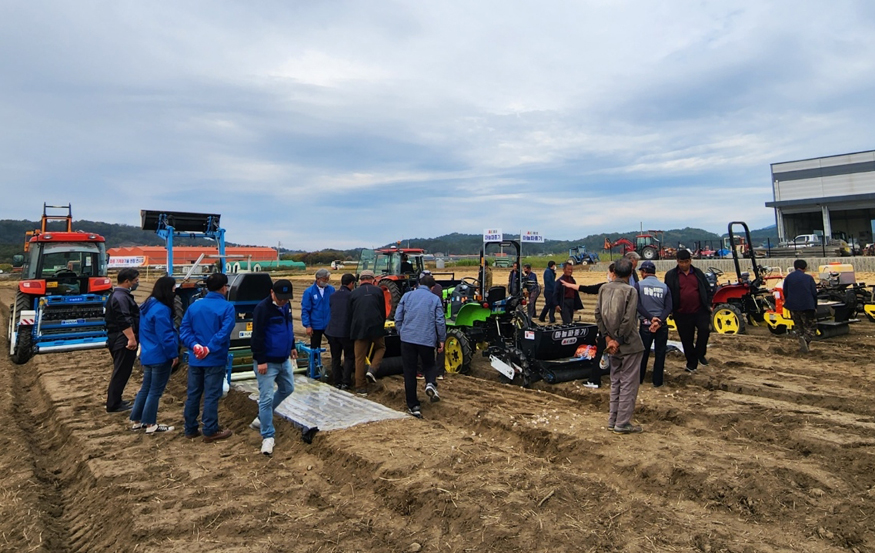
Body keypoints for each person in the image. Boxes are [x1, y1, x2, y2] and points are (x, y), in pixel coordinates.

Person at [180, 272, 236, 442]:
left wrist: (195, 346)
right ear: (223, 288)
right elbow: (224, 332)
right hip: (215, 358)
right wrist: (209, 348)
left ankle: (190, 428)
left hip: (196, 358)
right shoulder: (227, 307)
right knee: (211, 395)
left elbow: (184, 330)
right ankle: (210, 430)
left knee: (193, 394)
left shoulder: (194, 306)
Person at [594, 258, 645, 434]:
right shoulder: (630, 291)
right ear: (630, 273)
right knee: (629, 383)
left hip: (612, 345)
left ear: (613, 271)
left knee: (615, 381)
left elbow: (598, 314)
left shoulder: (603, 289)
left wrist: (608, 339)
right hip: (628, 344)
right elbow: (629, 319)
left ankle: (612, 419)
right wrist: (618, 339)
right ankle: (622, 423)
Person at [250, 279, 297, 456]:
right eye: (280, 298)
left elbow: (288, 327)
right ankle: (268, 436)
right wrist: (261, 360)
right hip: (267, 362)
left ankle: (261, 418)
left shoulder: (287, 306)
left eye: (286, 298)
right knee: (266, 398)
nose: (283, 301)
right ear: (272, 293)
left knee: (288, 388)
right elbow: (257, 337)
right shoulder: (263, 309)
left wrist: (292, 345)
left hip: (283, 358)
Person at [130, 275, 178, 433]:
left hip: (147, 353)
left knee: (145, 388)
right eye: (173, 289)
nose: (174, 291)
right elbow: (166, 336)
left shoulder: (148, 304)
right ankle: (151, 424)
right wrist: (173, 354)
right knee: (155, 391)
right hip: (160, 355)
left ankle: (137, 421)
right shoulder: (162, 310)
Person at [395, 275, 447, 419]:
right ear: (432, 287)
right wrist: (441, 340)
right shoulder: (435, 299)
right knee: (429, 364)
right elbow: (440, 322)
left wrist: (401, 332)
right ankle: (430, 383)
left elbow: (398, 317)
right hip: (426, 339)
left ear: (418, 284)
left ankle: (414, 406)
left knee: (410, 372)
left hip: (407, 339)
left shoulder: (407, 296)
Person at [664, 249, 713, 373]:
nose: (684, 264)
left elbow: (707, 289)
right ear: (677, 262)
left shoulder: (698, 273)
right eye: (681, 262)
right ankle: (691, 364)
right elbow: (667, 293)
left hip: (700, 310)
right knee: (687, 339)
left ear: (690, 261)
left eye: (686, 262)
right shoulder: (671, 275)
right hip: (681, 313)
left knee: (704, 330)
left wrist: (708, 304)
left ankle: (700, 353)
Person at [104, 268, 141, 413]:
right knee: (121, 371)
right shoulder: (121, 297)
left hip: (119, 337)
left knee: (122, 371)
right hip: (122, 339)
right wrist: (131, 338)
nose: (137, 283)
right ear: (127, 281)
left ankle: (116, 400)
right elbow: (124, 319)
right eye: (135, 281)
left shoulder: (120, 295)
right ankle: (113, 404)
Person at [349, 270, 387, 396]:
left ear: (360, 280)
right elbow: (383, 311)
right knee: (381, 347)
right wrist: (381, 325)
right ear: (372, 280)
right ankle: (372, 369)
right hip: (376, 326)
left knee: (359, 358)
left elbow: (351, 313)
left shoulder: (353, 293)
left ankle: (360, 387)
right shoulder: (378, 291)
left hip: (359, 329)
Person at [635, 261, 672, 387]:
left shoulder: (638, 286)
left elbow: (637, 305)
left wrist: (651, 318)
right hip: (661, 325)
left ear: (644, 272)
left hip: (646, 324)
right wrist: (659, 320)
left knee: (643, 353)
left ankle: (639, 379)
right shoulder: (664, 287)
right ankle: (657, 381)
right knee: (660, 353)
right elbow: (668, 307)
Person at [326, 273, 356, 389]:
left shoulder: (333, 296)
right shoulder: (352, 296)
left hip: (332, 331)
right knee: (349, 357)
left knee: (335, 358)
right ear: (351, 283)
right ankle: (346, 382)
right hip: (345, 332)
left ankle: (337, 381)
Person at [782, 259, 818, 353]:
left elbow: (785, 292)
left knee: (799, 327)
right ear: (805, 267)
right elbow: (814, 293)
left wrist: (789, 301)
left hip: (793, 306)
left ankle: (803, 344)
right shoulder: (808, 278)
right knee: (811, 326)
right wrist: (815, 305)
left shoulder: (788, 278)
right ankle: (806, 340)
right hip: (807, 305)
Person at [301, 269, 334, 354]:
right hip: (315, 325)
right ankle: (314, 365)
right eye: (325, 279)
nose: (326, 281)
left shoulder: (331, 290)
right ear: (318, 279)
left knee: (335, 344)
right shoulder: (309, 292)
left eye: (327, 279)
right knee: (315, 348)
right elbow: (305, 310)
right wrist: (308, 325)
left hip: (329, 324)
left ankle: (336, 365)